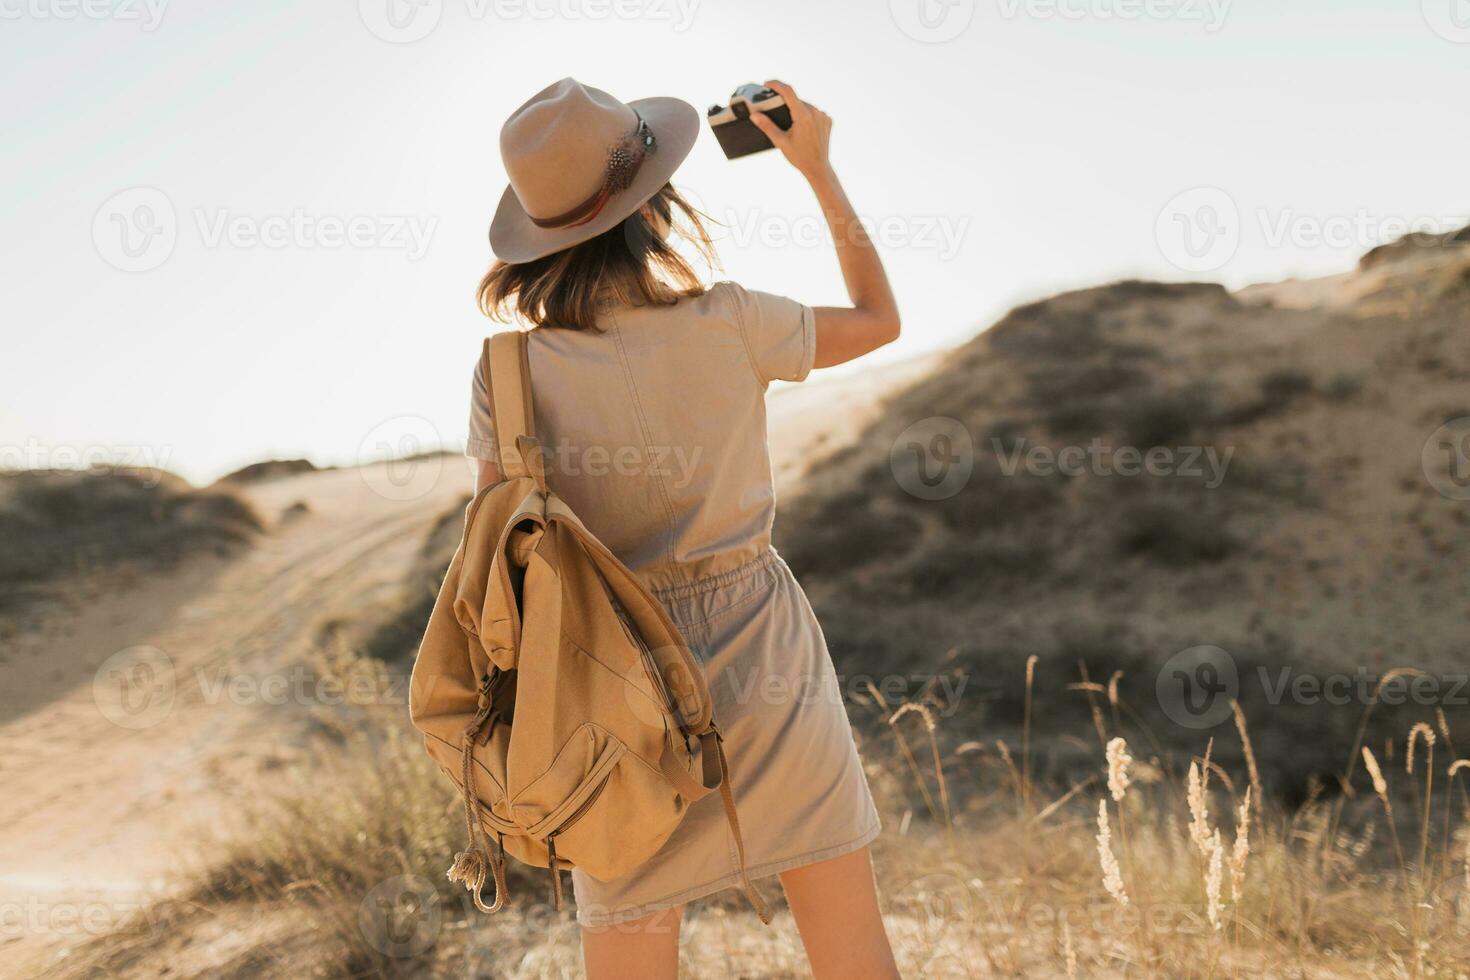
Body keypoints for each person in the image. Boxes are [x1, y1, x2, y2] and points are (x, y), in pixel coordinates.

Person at [466, 76, 902, 980]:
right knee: (854, 956)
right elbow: (879, 320)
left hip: (609, 684)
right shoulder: (736, 321)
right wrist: (817, 168)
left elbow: (493, 560)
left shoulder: (508, 372)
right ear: (655, 200)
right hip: (767, 649)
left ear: (544, 233)